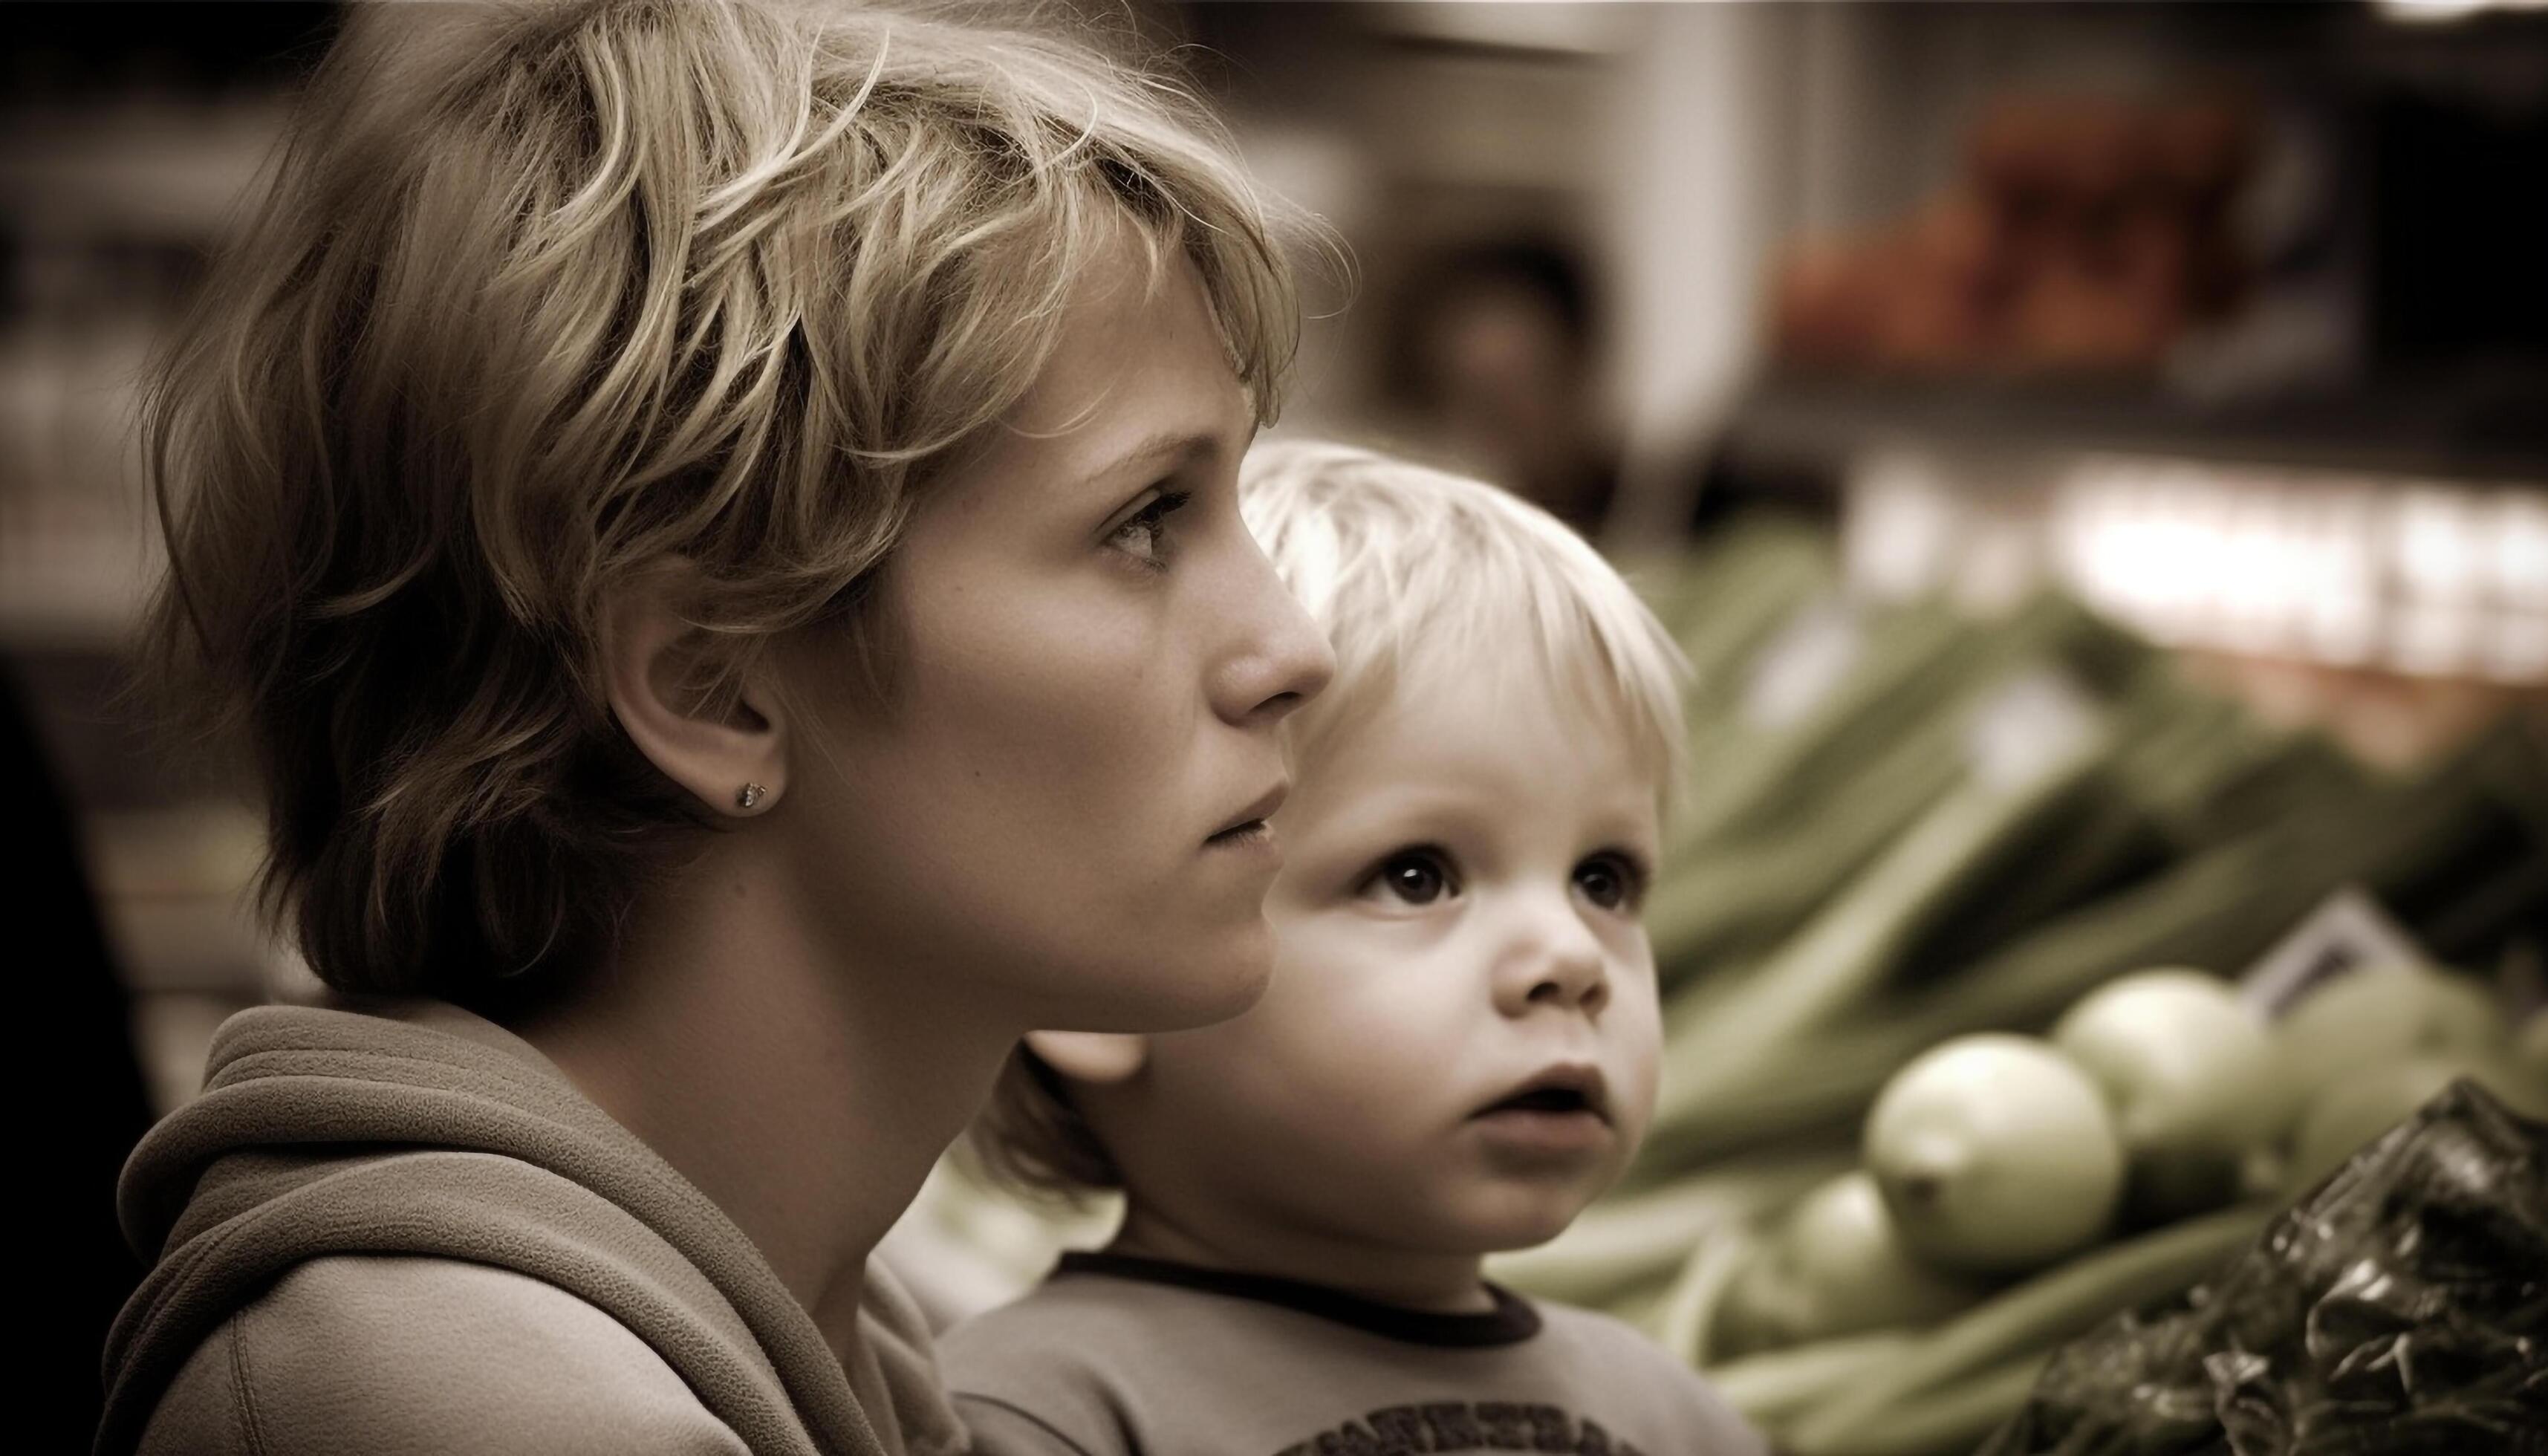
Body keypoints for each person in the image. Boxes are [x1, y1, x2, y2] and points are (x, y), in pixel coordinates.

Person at [97, 2, 1333, 1452]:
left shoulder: (831, 1327)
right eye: (1142, 522)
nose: (1294, 652)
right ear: (711, 688)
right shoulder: (487, 1404)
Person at [944, 442, 1767, 1456]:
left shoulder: (1673, 1418)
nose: (1568, 956)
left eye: (1603, 881)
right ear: (1096, 992)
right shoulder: (1034, 1417)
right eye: (1415, 876)